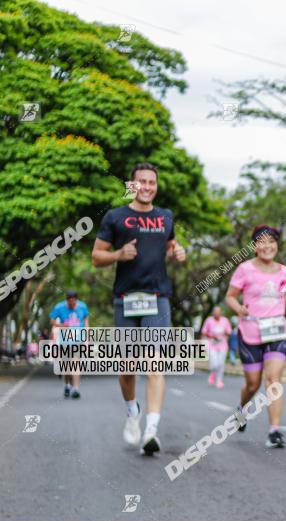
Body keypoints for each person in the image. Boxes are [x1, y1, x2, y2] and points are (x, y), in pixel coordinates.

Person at [92, 162, 186, 455]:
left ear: (156, 186)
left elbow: (170, 246)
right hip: (125, 298)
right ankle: (133, 412)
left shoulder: (165, 217)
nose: (147, 187)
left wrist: (177, 251)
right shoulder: (116, 217)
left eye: (152, 182)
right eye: (141, 182)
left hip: (157, 297)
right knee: (127, 368)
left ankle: (151, 430)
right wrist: (119, 254)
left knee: (155, 364)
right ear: (132, 186)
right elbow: (96, 256)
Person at [225, 225, 286, 448]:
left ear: (277, 244)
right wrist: (239, 309)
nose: (267, 246)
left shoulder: (285, 272)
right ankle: (241, 410)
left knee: (273, 380)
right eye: (262, 242)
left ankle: (274, 431)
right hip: (251, 332)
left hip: (277, 330)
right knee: (252, 384)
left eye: (272, 242)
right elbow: (230, 297)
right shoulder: (244, 269)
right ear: (255, 246)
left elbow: (284, 298)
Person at [49, 289, 89, 399]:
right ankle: (67, 385)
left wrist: (86, 339)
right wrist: (63, 326)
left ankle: (76, 389)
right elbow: (52, 321)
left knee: (75, 364)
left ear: (76, 300)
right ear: (67, 300)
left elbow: (86, 321)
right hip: (65, 341)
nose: (72, 304)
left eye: (74, 302)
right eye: (70, 302)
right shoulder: (59, 307)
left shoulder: (83, 307)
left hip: (78, 340)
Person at [201, 306, 231, 388]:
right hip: (212, 345)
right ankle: (213, 373)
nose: (217, 314)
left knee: (221, 364)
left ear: (221, 313)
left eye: (218, 312)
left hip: (222, 345)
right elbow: (204, 332)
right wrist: (211, 336)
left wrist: (225, 333)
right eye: (215, 312)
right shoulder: (209, 320)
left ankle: (219, 380)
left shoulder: (225, 320)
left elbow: (229, 332)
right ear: (213, 313)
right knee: (214, 364)